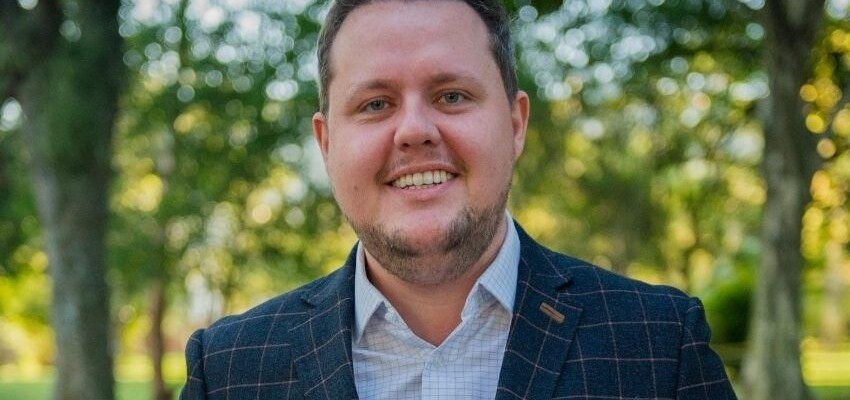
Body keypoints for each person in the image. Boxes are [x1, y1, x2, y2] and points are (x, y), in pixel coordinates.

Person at [180, 0, 737, 399]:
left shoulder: (660, 346)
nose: (414, 131)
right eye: (375, 104)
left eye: (451, 95)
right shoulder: (228, 371)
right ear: (326, 144)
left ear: (515, 124)